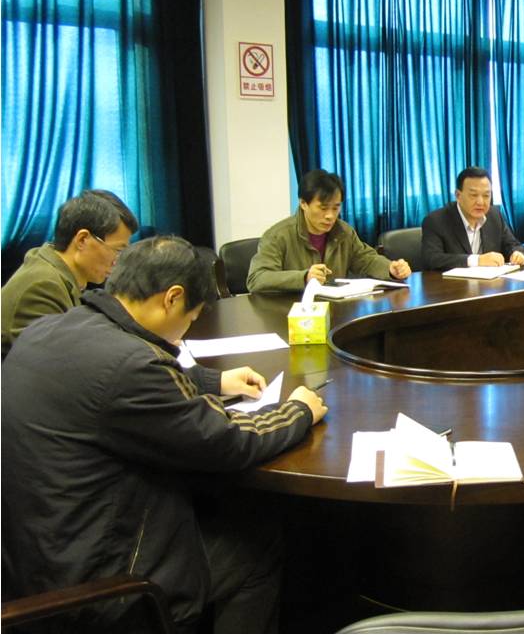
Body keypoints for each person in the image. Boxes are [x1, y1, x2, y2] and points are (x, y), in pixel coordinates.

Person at [1, 236, 328, 631]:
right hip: (101, 587)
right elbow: (224, 440)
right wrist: (297, 411)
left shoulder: (53, 328)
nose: (185, 332)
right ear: (172, 298)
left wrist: (213, 380)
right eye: (191, 318)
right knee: (257, 546)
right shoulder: (133, 367)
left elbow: (107, 386)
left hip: (33, 558)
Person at [1, 189, 138, 357]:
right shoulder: (43, 286)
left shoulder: (60, 275)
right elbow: (51, 362)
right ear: (82, 240)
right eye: (117, 250)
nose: (117, 261)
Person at [247, 169, 410, 292]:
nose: (330, 216)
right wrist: (304, 277)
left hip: (336, 310)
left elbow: (366, 259)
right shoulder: (278, 235)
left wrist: (391, 269)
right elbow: (257, 278)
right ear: (303, 204)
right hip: (291, 312)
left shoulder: (344, 231)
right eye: (323, 208)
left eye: (336, 207)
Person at [420, 166, 524, 271]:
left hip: (490, 281)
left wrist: (517, 253)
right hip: (451, 282)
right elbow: (432, 259)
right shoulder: (435, 221)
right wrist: (477, 260)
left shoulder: (494, 215)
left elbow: (513, 245)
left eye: (486, 195)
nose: (480, 202)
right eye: (473, 195)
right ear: (458, 195)